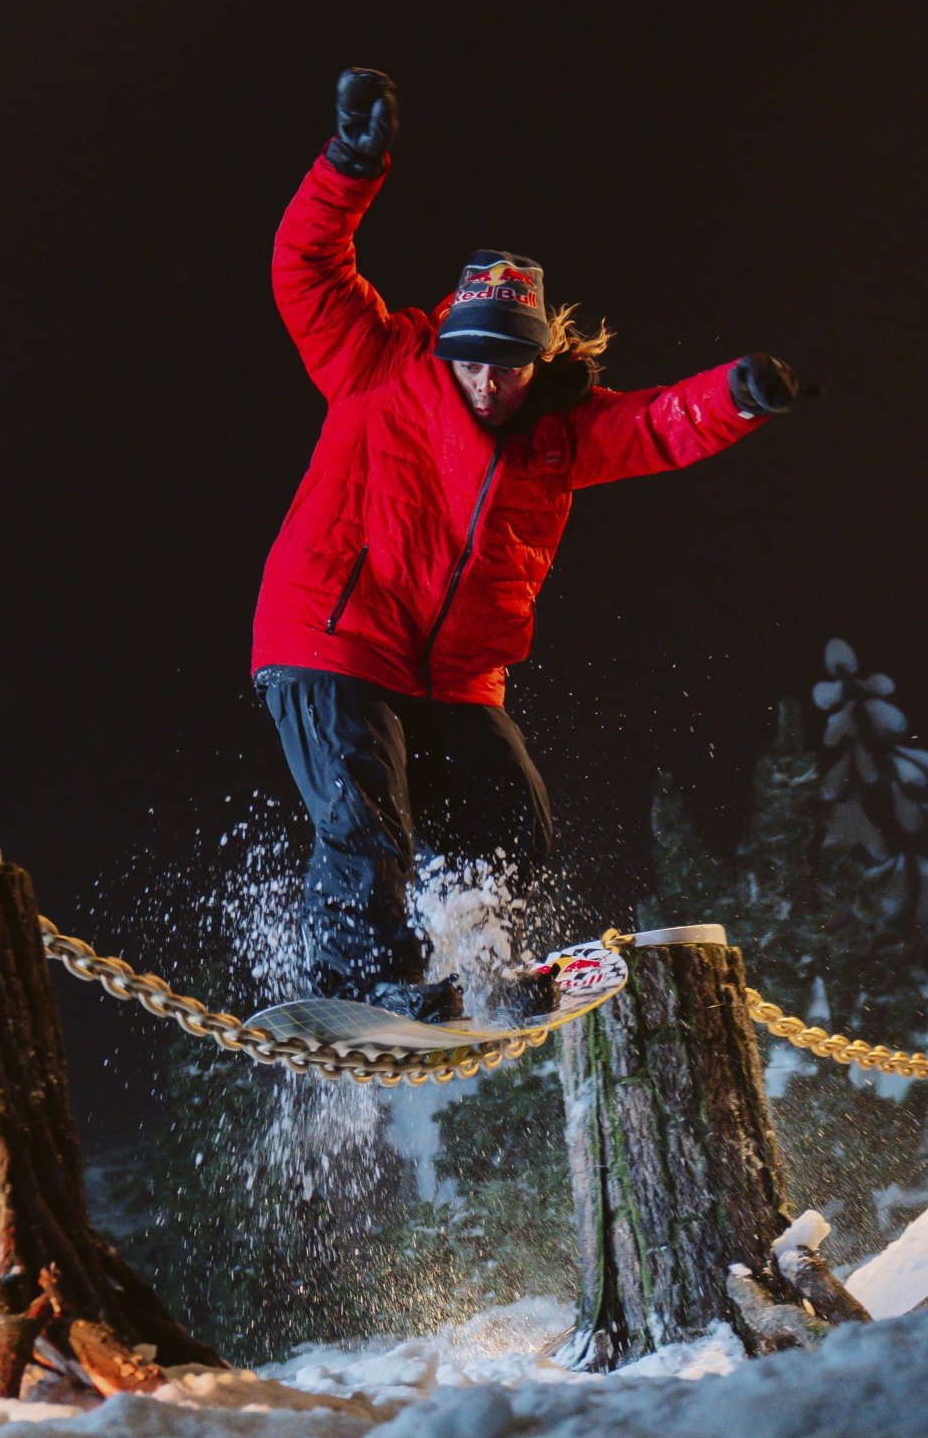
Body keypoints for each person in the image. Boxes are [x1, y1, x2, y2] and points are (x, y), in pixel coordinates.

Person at [252, 69, 797, 1021]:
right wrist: (349, 165)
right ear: (447, 340)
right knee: (364, 815)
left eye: (507, 367)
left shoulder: (564, 430)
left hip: (455, 672)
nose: (485, 385)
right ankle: (356, 980)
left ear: (538, 357)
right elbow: (306, 265)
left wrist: (737, 397)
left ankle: (470, 949)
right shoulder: (376, 360)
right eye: (470, 360)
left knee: (514, 821)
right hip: (332, 638)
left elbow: (662, 426)